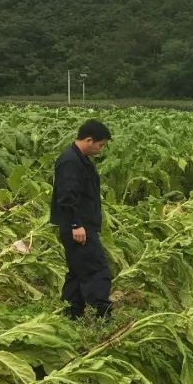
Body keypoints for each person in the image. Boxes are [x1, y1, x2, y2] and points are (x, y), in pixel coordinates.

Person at [49, 120, 114, 320]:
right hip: (78, 228)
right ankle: (102, 315)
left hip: (82, 226)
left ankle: (71, 313)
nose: (101, 149)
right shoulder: (70, 161)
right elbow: (67, 197)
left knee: (78, 271)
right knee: (97, 269)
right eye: (100, 145)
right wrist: (76, 224)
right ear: (89, 140)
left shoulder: (79, 159)